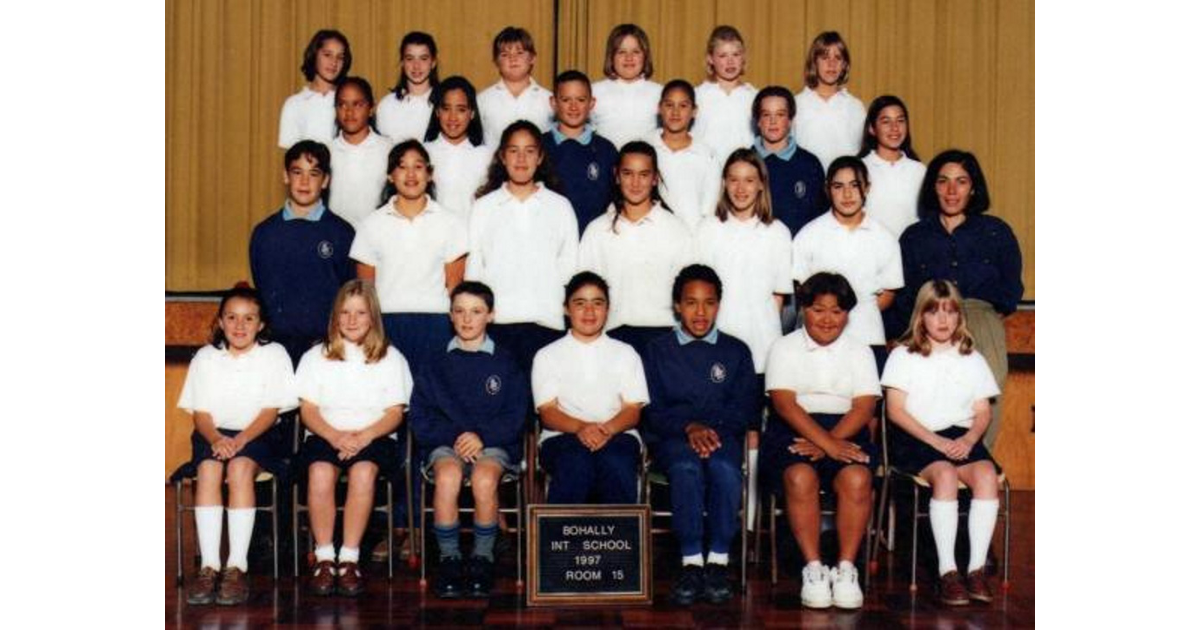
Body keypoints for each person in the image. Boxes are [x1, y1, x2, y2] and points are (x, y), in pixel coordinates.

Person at [880, 279, 1002, 606]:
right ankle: (947, 571)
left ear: (960, 317)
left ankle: (975, 569)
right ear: (921, 317)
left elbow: (982, 412)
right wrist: (934, 441)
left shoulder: (971, 357)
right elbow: (895, 411)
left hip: (960, 436)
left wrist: (970, 438)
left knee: (987, 475)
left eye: (950, 312)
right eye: (934, 312)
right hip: (918, 436)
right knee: (946, 475)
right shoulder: (903, 356)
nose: (943, 320)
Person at [761, 272, 879, 610]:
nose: (827, 319)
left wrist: (828, 443)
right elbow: (784, 403)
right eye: (817, 310)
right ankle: (813, 569)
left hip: (845, 428)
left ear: (847, 315)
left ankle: (845, 569)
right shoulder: (783, 347)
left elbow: (864, 406)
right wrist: (825, 444)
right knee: (800, 476)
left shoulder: (860, 352)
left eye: (837, 312)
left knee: (857, 478)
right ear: (802, 310)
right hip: (793, 427)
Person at [642, 265, 757, 606]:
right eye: (691, 303)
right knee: (686, 470)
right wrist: (688, 427)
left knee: (724, 470)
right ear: (677, 306)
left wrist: (709, 429)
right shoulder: (658, 350)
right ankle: (691, 561)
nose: (700, 311)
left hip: (722, 438)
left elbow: (744, 408)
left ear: (719, 305)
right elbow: (651, 408)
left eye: (709, 302)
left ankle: (718, 561)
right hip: (674, 437)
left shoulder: (736, 350)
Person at [179, 286, 297, 606]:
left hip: (258, 434)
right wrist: (217, 439)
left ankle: (236, 566)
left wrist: (241, 440)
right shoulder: (206, 357)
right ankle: (208, 566)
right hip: (213, 434)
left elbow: (271, 410)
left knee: (240, 467)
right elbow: (200, 412)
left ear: (261, 325)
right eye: (231, 317)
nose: (240, 325)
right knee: (208, 469)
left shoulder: (274, 354)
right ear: (220, 321)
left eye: (249, 318)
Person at [897, 149, 1022, 449]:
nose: (952, 190)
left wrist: (980, 319)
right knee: (926, 399)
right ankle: (934, 474)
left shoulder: (996, 232)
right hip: (927, 325)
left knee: (984, 401)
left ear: (973, 187)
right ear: (933, 187)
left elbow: (1010, 290)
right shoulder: (915, 236)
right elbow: (904, 292)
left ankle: (977, 474)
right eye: (943, 181)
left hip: (980, 320)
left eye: (961, 181)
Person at [410, 281, 528, 599]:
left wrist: (483, 437)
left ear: (490, 316)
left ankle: (482, 557)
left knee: (484, 478)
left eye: (476, 312)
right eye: (459, 311)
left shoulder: (506, 361)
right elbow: (420, 416)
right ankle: (449, 559)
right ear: (450, 315)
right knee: (448, 477)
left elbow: (517, 415)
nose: (467, 319)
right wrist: (454, 436)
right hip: (447, 443)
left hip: (493, 443)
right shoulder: (434, 362)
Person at [295, 280, 413, 597]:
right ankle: (323, 558)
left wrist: (364, 437)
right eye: (345, 312)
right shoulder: (315, 356)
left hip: (374, 436)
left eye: (360, 312)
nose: (351, 320)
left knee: (363, 473)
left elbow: (394, 413)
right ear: (335, 316)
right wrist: (334, 436)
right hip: (326, 433)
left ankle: (348, 558)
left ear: (373, 316)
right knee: (320, 472)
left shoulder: (391, 358)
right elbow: (308, 410)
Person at [466, 120, 578, 373]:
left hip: (547, 322)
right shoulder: (484, 207)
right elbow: (474, 270)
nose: (521, 159)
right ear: (502, 157)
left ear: (539, 157)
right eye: (513, 150)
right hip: (498, 323)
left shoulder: (559, 206)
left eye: (529, 151)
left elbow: (569, 269)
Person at [351, 140, 466, 375]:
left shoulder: (451, 223)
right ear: (391, 176)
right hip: (387, 323)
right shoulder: (371, 224)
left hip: (436, 324)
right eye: (402, 167)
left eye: (418, 167)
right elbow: (366, 291)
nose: (411, 174)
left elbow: (455, 288)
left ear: (430, 174)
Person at [533, 272, 649, 504]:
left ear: (607, 309)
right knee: (575, 462)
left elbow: (632, 410)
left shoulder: (625, 352)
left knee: (615, 461)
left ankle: (618, 539)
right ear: (566, 309)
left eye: (597, 303)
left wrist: (605, 430)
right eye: (580, 303)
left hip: (617, 433)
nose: (589, 312)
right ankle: (565, 538)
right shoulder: (547, 355)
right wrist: (582, 428)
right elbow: (548, 412)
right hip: (562, 436)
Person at [578, 141, 693, 357]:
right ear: (617, 175)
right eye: (628, 173)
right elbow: (584, 292)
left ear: (655, 178)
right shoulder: (597, 230)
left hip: (663, 338)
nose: (636, 182)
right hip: (611, 338)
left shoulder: (676, 230)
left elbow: (687, 294)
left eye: (644, 174)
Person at [249, 140, 356, 365]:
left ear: (325, 180)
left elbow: (350, 293)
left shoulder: (342, 233)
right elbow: (262, 285)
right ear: (286, 176)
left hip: (327, 349)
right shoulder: (265, 233)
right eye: (297, 172)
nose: (304, 182)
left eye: (314, 174)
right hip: (275, 349)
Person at [792, 156, 903, 365]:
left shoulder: (884, 237)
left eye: (855, 185)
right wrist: (829, 319)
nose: (847, 194)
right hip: (817, 343)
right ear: (827, 189)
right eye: (838, 186)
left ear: (867, 187)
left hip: (868, 337)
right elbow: (801, 290)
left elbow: (888, 293)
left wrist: (855, 313)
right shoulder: (809, 234)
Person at [542, 70, 619, 234]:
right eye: (566, 100)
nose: (573, 107)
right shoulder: (538, 147)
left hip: (592, 244)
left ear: (591, 103)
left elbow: (617, 202)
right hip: (548, 242)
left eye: (581, 100)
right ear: (553, 102)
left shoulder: (606, 150)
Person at [752, 86, 828, 237]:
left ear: (790, 120)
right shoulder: (745, 163)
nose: (773, 121)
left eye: (780, 114)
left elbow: (821, 219)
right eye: (766, 115)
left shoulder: (810, 164)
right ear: (758, 121)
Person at [647, 80, 722, 231]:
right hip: (650, 236)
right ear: (659, 108)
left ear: (694, 111)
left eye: (683, 106)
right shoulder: (645, 146)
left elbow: (708, 211)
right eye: (669, 105)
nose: (675, 112)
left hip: (692, 239)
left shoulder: (707, 155)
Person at [791, 31, 866, 171]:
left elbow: (863, 153)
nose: (831, 63)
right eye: (825, 57)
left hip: (845, 187)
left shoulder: (855, 107)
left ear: (844, 64)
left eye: (837, 58)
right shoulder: (797, 104)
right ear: (814, 62)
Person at [423, 76, 492, 221]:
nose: (452, 117)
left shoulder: (486, 156)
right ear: (437, 112)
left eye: (461, 110)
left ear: (472, 113)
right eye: (446, 109)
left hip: (472, 238)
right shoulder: (424, 154)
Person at [858, 94, 926, 240]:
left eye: (900, 121)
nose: (894, 128)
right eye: (886, 121)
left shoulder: (920, 170)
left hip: (910, 254)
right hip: (870, 252)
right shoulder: (860, 168)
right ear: (872, 128)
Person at [329, 77, 392, 227]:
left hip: (377, 238)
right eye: (342, 104)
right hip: (337, 239)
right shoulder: (327, 152)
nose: (349, 112)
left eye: (357, 104)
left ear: (371, 109)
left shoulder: (388, 149)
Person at [477, 26, 554, 146]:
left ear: (532, 58)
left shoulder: (549, 100)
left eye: (520, 52)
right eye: (505, 55)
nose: (513, 59)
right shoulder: (482, 100)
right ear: (496, 61)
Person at [692, 25, 757, 164]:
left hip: (743, 174)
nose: (730, 61)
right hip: (705, 171)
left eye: (735, 54)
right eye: (723, 55)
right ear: (710, 59)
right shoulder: (697, 95)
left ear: (743, 57)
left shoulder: (755, 96)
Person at [590, 24, 663, 148]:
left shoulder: (660, 92)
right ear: (611, 57)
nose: (629, 58)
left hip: (646, 164)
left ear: (645, 56)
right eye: (621, 52)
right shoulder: (594, 91)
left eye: (636, 52)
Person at [278, 29, 351, 149]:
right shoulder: (295, 104)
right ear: (314, 55)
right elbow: (291, 158)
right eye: (327, 55)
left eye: (340, 57)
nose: (334, 62)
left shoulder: (349, 100)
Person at [377, 31, 439, 144]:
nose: (416, 66)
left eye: (423, 58)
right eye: (410, 58)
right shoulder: (387, 105)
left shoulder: (443, 104)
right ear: (402, 62)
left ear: (433, 62)